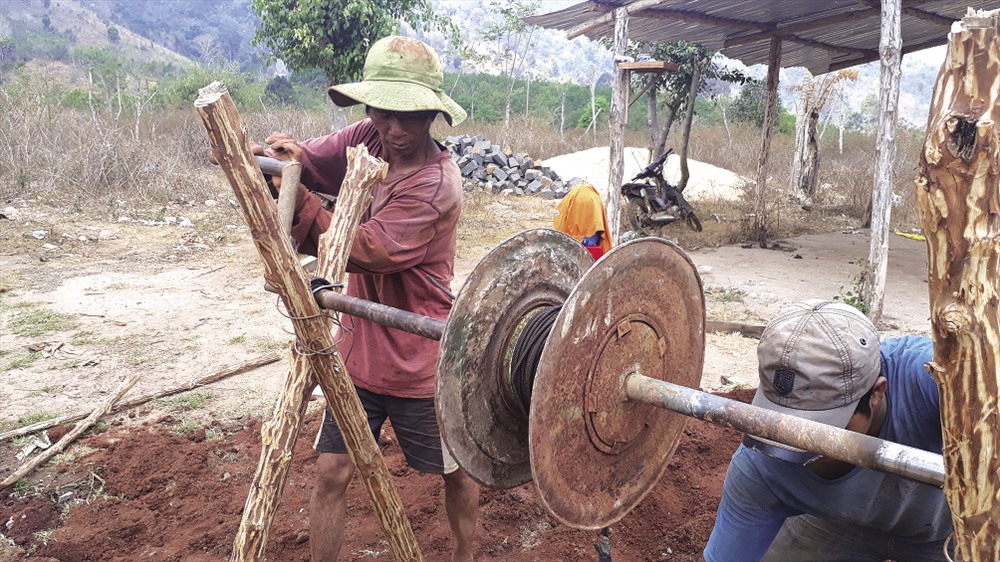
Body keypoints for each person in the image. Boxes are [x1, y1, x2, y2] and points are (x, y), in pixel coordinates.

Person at [257, 36, 479, 562]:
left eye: (411, 117)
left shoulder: (435, 184)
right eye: (383, 113)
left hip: (417, 354)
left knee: (453, 469)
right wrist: (279, 159)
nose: (395, 130)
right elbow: (313, 160)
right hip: (357, 346)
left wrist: (303, 201)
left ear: (432, 115)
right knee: (331, 472)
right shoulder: (370, 138)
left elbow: (368, 250)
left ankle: (465, 554)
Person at [704, 299, 952, 562]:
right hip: (836, 522)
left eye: (822, 430)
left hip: (950, 532)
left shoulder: (936, 380)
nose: (796, 450)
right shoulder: (760, 465)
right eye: (780, 429)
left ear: (876, 393)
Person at [552, 182, 612, 260]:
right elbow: (600, 222)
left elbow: (559, 213)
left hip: (573, 239)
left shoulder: (572, 196)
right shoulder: (594, 197)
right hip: (591, 240)